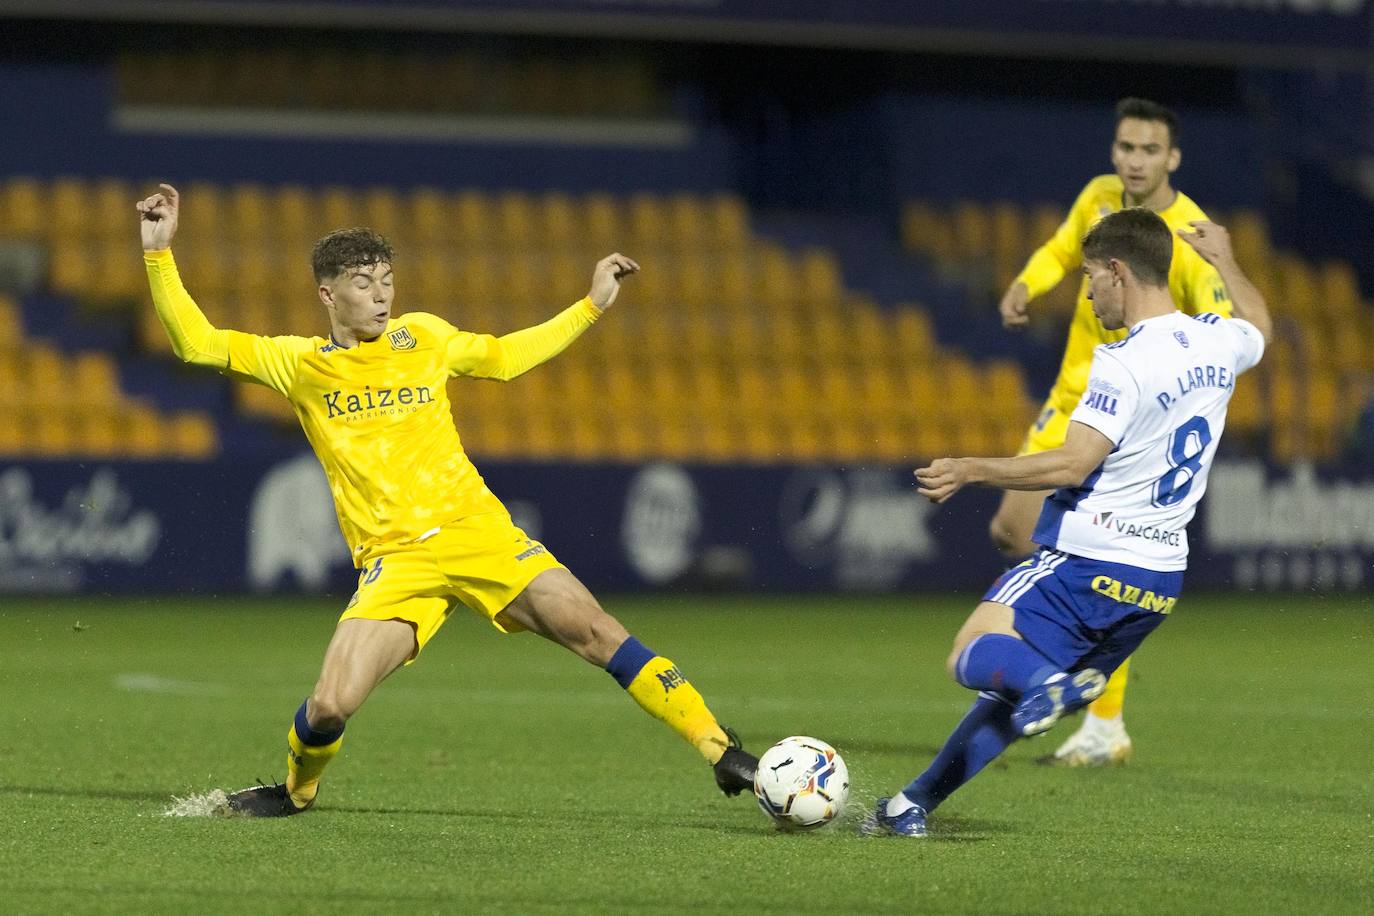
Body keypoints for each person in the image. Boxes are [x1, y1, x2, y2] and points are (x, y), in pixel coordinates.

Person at [136, 184, 759, 816]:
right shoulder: (300, 365)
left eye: (386, 280)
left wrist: (590, 306)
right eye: (362, 283)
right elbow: (197, 343)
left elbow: (507, 357)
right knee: (329, 706)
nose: (381, 295)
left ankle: (721, 750)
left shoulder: (423, 338)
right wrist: (160, 255)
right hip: (397, 560)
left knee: (598, 630)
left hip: (477, 533)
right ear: (327, 294)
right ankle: (297, 793)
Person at [862, 209, 1270, 837]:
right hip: (1157, 582)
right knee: (1012, 694)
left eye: (1088, 276)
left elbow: (1075, 461)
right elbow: (1260, 328)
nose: (1084, 292)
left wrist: (972, 468)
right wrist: (1226, 260)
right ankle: (909, 806)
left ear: (1117, 271)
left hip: (1088, 559)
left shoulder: (1122, 360)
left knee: (970, 652)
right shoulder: (1216, 340)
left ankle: (1048, 684)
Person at [991, 98, 1235, 766]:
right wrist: (1026, 282)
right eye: (1126, 147)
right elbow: (1060, 250)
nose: (1134, 161)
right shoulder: (1098, 198)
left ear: (1172, 159)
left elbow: (1220, 330)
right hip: (1072, 394)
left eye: (1149, 150)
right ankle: (1077, 677)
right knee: (1012, 531)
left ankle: (1100, 717)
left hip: (1127, 414)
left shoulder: (1186, 235)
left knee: (1077, 552)